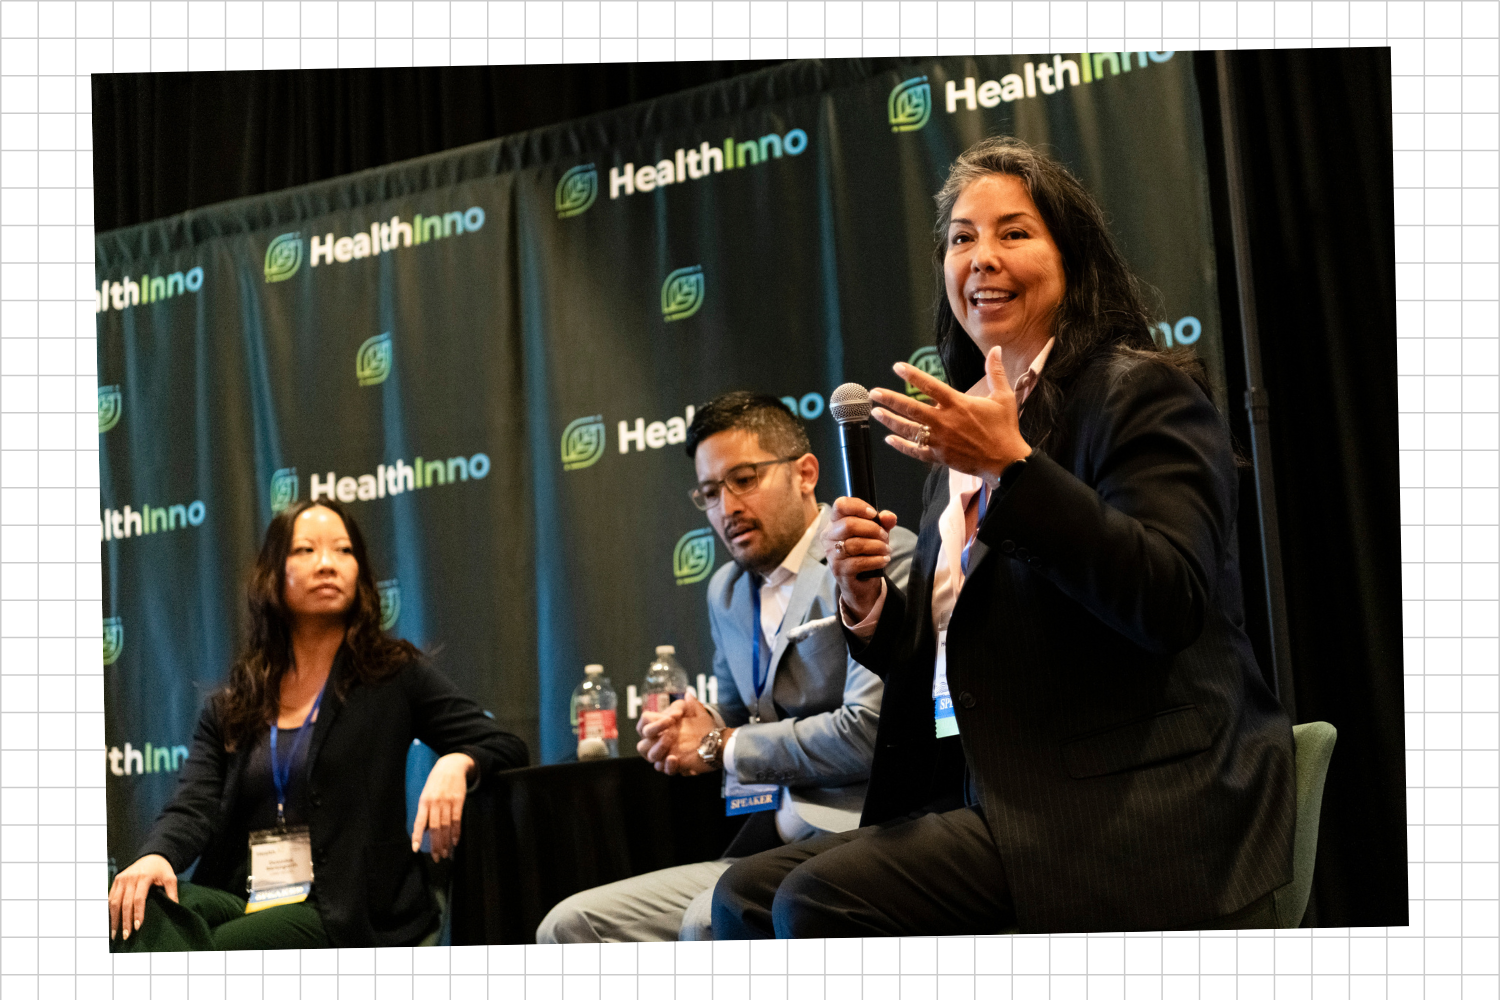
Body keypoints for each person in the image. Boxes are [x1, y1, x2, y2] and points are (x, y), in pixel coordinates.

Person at [712, 136, 1296, 938]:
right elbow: (957, 642)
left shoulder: (1139, 392)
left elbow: (1169, 599)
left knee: (817, 898)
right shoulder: (961, 437)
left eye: (1013, 232)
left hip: (1132, 797)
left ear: (1071, 258)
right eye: (962, 238)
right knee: (744, 893)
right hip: (984, 787)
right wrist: (871, 602)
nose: (981, 257)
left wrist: (1014, 468)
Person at [535, 392, 917, 942]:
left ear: (805, 474)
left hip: (871, 833)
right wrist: (696, 726)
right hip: (771, 839)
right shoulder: (727, 590)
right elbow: (739, 716)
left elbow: (868, 733)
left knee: (709, 917)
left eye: (743, 479)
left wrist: (722, 745)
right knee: (570, 926)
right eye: (710, 493)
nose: (726, 508)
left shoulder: (873, 553)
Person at [108, 499, 528, 950]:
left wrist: (459, 761)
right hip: (243, 894)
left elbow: (504, 743)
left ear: (359, 572)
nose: (327, 564)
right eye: (306, 550)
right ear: (273, 572)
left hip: (345, 907)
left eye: (343, 551)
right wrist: (156, 855)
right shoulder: (235, 702)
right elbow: (193, 805)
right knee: (137, 909)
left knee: (217, 946)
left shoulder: (392, 676)